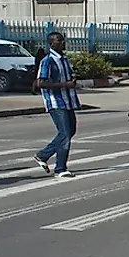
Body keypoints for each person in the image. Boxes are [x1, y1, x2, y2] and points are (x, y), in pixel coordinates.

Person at [32, 31, 80, 178]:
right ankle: (60, 168)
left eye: (63, 40)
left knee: (70, 131)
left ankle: (43, 155)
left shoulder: (64, 59)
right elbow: (41, 82)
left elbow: (69, 75)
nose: (62, 43)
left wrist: (73, 80)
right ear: (51, 43)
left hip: (68, 101)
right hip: (56, 102)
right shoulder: (47, 61)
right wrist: (65, 84)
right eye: (59, 40)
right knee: (64, 133)